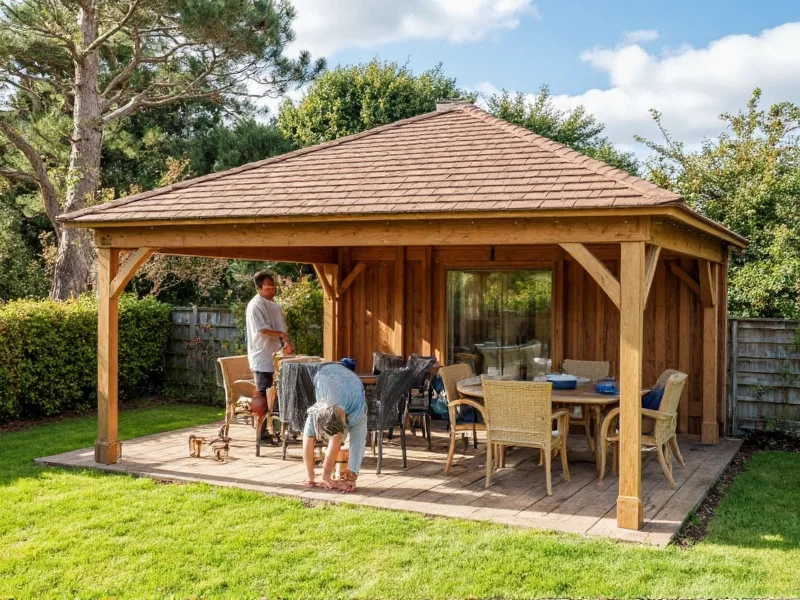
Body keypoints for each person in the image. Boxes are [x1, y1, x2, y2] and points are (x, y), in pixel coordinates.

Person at [302, 363, 367, 493]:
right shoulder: (318, 409)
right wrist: (311, 478)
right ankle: (315, 476)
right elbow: (307, 438)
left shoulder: (358, 412)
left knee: (340, 436)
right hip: (324, 375)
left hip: (351, 383)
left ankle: (327, 475)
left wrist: (351, 478)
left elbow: (357, 443)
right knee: (310, 433)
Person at [245, 271, 293, 428]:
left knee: (279, 394)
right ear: (258, 288)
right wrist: (281, 335)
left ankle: (278, 428)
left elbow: (281, 331)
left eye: (273, 287)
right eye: (268, 288)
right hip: (262, 357)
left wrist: (285, 343)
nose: (272, 290)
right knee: (263, 393)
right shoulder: (255, 305)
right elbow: (263, 330)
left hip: (277, 358)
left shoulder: (274, 306)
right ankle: (262, 433)